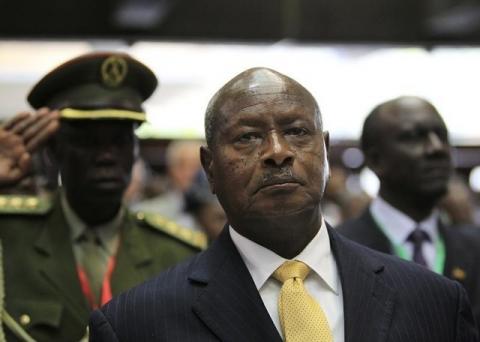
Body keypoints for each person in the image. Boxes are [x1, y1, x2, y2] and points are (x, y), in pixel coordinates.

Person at [89, 69, 478, 341]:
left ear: (324, 153)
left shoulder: (434, 301)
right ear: (210, 167)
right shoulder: (137, 323)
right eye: (247, 137)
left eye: (296, 132)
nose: (277, 152)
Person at [0, 52, 206, 341]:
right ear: (54, 150)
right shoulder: (8, 236)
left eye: (120, 140)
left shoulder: (176, 255)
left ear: (135, 150)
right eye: (88, 140)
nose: (107, 156)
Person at [336, 96, 480, 328]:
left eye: (441, 136)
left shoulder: (475, 247)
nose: (436, 148)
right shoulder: (340, 249)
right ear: (375, 159)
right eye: (414, 137)